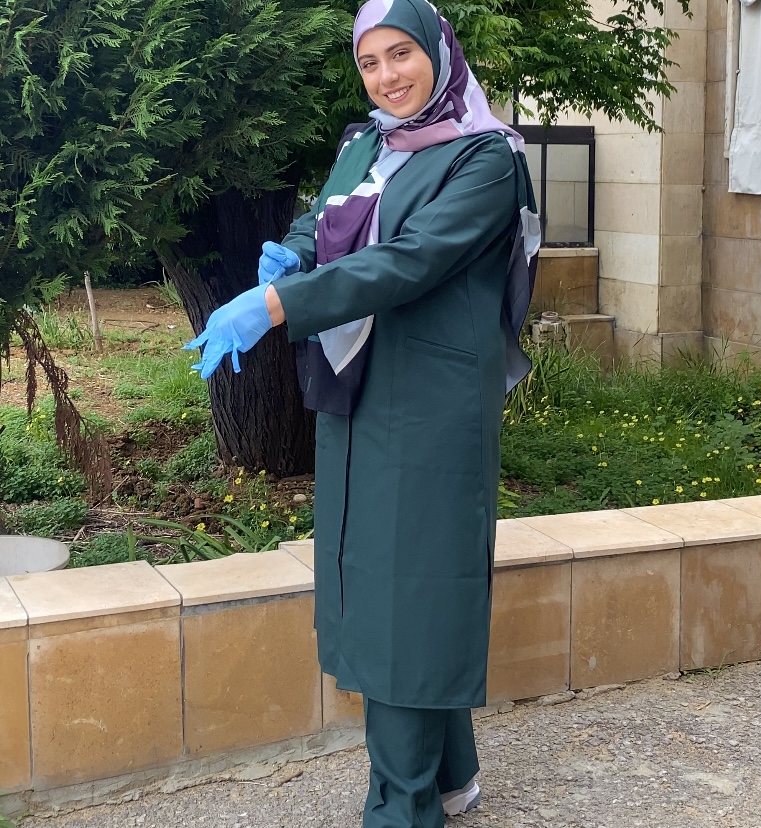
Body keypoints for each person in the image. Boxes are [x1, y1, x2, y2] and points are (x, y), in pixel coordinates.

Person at [185, 0, 539, 824]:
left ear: (439, 53)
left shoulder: (486, 159)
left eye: (401, 54)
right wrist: (291, 251)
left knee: (412, 589)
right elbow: (327, 219)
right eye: (370, 62)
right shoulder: (366, 143)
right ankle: (450, 776)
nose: (387, 76)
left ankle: (402, 805)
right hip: (357, 388)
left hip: (432, 402)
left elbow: (408, 261)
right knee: (380, 582)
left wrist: (277, 304)